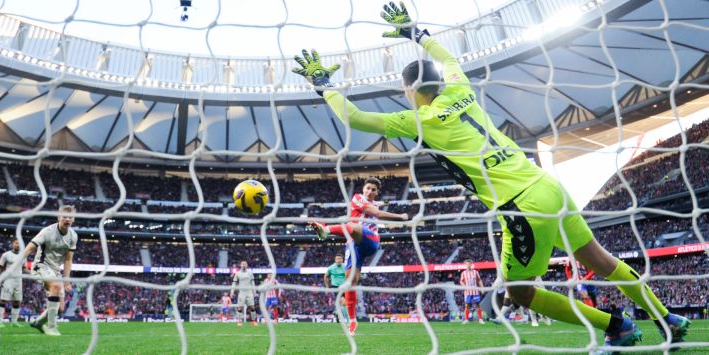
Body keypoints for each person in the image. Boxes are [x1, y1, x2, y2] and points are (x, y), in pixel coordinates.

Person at [291, 1, 690, 350]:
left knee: (520, 290)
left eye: (405, 88)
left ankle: (616, 327)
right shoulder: (461, 88)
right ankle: (666, 319)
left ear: (412, 90)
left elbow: (356, 116)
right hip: (549, 186)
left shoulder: (422, 118)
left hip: (522, 205)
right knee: (600, 260)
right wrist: (419, 34)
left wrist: (323, 85)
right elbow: (450, 61)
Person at [307, 177, 408, 336]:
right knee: (350, 283)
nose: (370, 191)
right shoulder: (357, 198)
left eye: (373, 190)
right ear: (363, 189)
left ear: (377, 192)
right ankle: (352, 321)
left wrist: (391, 211)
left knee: (353, 226)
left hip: (370, 240)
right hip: (353, 245)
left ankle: (325, 230)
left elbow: (375, 211)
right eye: (368, 188)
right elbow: (376, 213)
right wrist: (400, 216)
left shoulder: (371, 203)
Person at [24, 205, 78, 336]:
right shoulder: (47, 231)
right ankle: (51, 327)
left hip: (55, 270)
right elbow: (31, 247)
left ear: (73, 220)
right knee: (55, 285)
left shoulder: (73, 236)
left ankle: (38, 322)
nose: (67, 219)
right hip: (41, 265)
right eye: (64, 216)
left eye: (70, 217)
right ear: (58, 217)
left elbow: (68, 260)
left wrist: (66, 280)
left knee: (60, 309)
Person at [0, 239, 29, 327]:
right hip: (8, 280)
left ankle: (14, 322)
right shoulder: (6, 255)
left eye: (19, 243)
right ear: (12, 244)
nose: (18, 245)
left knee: (17, 302)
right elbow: (0, 267)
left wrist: (33, 273)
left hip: (19, 280)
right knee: (3, 300)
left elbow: (24, 268)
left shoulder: (23, 256)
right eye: (16, 243)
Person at [231, 261, 257, 326]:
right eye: (242, 264)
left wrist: (254, 291)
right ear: (240, 265)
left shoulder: (250, 273)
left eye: (245, 264)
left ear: (247, 265)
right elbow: (234, 283)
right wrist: (232, 291)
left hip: (249, 292)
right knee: (240, 307)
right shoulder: (237, 273)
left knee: (252, 307)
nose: (244, 265)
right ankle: (239, 321)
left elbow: (252, 283)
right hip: (242, 292)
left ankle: (253, 321)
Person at [324, 254, 349, 323]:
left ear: (342, 260)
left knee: (347, 303)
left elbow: (349, 275)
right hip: (336, 287)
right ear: (335, 260)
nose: (338, 260)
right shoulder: (331, 268)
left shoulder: (345, 267)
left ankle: (337, 313)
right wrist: (327, 287)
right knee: (343, 302)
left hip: (345, 287)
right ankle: (348, 321)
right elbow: (326, 276)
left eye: (340, 259)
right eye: (337, 259)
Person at [459, 260, 484, 324]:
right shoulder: (463, 273)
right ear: (465, 265)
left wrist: (482, 288)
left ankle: (480, 319)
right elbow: (461, 281)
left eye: (469, 264)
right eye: (467, 264)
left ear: (471, 264)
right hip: (467, 292)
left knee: (478, 304)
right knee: (467, 305)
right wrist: (464, 286)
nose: (468, 265)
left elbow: (479, 280)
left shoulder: (475, 272)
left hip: (475, 291)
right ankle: (466, 319)